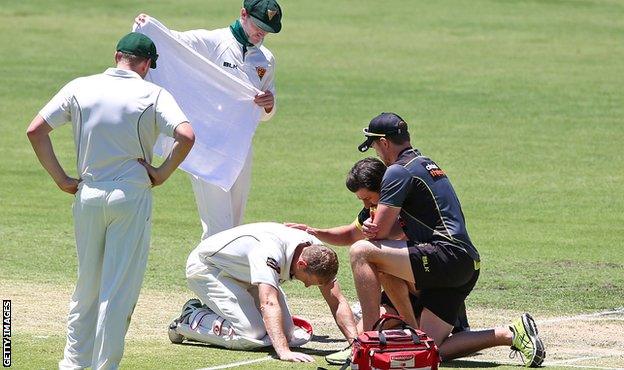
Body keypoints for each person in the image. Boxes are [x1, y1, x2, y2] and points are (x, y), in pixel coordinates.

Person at [26, 32, 195, 370]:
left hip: (87, 194)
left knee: (86, 285)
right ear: (146, 64)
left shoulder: (80, 86)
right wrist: (161, 173)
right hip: (130, 197)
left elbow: (35, 131)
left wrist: (61, 179)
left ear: (117, 55)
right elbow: (186, 135)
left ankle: (73, 364)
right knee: (117, 291)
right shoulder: (153, 93)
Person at [350, 112, 545, 366]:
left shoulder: (397, 171)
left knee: (361, 252)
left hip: (446, 256)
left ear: (384, 142)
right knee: (428, 351)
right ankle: (510, 333)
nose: (376, 152)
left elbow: (382, 232)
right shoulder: (424, 163)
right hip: (465, 263)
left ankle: (367, 339)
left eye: (375, 145)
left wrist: (369, 227)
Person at [287, 157, 471, 364]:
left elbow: (408, 243)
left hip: (429, 278)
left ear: (383, 187)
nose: (366, 204)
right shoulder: (374, 208)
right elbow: (349, 234)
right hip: (405, 288)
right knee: (358, 334)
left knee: (372, 258)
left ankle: (407, 329)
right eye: (361, 200)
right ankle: (392, 331)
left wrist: (381, 233)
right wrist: (314, 232)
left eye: (368, 198)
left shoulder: (405, 200)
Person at [135, 0, 281, 240]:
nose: (261, 33)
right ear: (243, 14)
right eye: (258, 25)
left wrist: (270, 104)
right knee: (218, 226)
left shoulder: (265, 59)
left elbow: (266, 111)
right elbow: (171, 43)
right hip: (207, 146)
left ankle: (225, 274)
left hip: (240, 146)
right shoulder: (212, 41)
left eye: (267, 29)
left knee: (235, 223)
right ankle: (206, 274)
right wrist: (149, 27)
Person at [167, 222, 358, 363]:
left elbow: (337, 301)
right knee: (252, 334)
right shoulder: (270, 252)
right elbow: (268, 302)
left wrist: (356, 344)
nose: (308, 287)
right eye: (311, 282)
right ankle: (190, 317)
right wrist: (284, 352)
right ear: (301, 264)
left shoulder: (317, 252)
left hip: (244, 273)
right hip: (209, 269)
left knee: (289, 334)